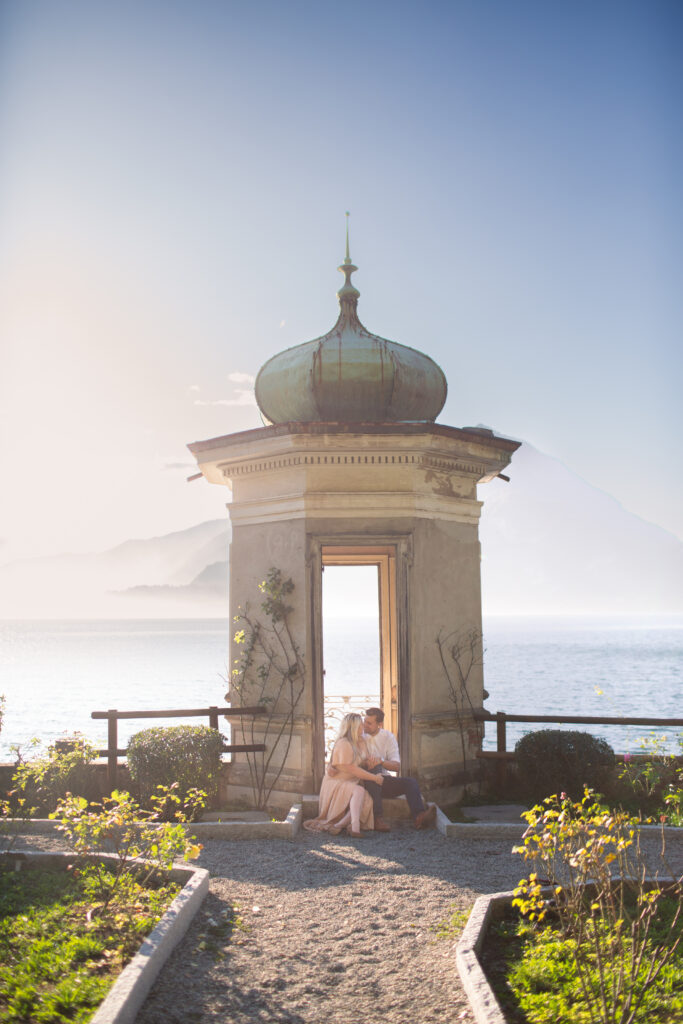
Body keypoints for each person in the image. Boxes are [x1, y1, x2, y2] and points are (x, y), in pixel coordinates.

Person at [304, 712, 385, 837]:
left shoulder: (361, 741)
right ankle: (355, 827)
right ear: (352, 727)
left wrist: (372, 762)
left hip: (351, 781)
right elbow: (351, 768)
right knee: (359, 791)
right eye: (360, 726)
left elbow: (362, 762)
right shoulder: (344, 743)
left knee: (365, 798)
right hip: (336, 782)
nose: (362, 728)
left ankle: (340, 825)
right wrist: (374, 778)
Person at [361, 707, 436, 832]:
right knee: (373, 773)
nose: (365, 725)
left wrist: (381, 761)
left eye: (369, 723)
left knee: (410, 782)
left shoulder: (388, 737)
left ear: (379, 724)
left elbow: (396, 766)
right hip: (364, 780)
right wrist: (366, 763)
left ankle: (419, 816)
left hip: (383, 780)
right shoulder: (360, 736)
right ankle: (377, 819)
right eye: (365, 721)